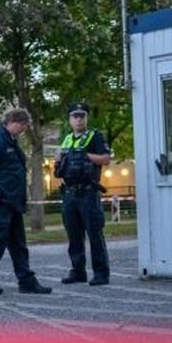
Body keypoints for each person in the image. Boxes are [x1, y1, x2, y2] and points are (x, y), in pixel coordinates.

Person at [0, 108, 51, 296]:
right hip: (1, 200)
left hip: (11, 201)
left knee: (18, 244)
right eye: (23, 125)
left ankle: (26, 281)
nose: (24, 129)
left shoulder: (10, 142)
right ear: (13, 121)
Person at [54, 101, 112, 286]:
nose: (78, 119)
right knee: (73, 235)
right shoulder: (67, 139)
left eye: (82, 116)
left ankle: (101, 273)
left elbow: (106, 159)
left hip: (88, 192)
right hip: (70, 193)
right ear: (69, 119)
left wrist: (85, 155)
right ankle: (78, 271)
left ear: (86, 118)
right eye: (75, 116)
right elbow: (61, 164)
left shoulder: (94, 137)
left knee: (94, 233)